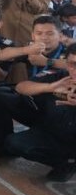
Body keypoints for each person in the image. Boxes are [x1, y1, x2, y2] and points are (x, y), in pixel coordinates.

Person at [8, 43, 76, 182]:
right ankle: (65, 164)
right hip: (52, 134)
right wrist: (50, 87)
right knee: (13, 143)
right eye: (72, 64)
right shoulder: (59, 77)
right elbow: (21, 87)